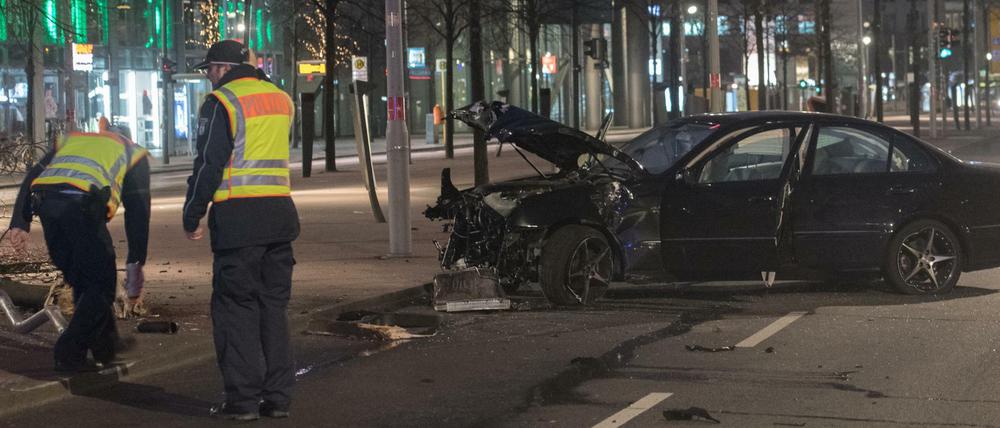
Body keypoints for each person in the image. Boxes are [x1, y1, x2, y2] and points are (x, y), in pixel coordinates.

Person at [183, 39, 299, 421]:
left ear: (221, 68)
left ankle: (243, 401)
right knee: (273, 309)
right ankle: (278, 398)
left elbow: (209, 163)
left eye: (209, 71)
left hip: (238, 219)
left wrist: (193, 212)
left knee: (236, 310)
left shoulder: (222, 102)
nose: (209, 78)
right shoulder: (282, 99)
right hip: (280, 215)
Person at [7, 122, 150, 373]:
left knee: (84, 281)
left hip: (46, 206)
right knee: (102, 285)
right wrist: (135, 269)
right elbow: (138, 216)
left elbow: (32, 176)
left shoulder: (75, 140)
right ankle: (68, 352)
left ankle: (105, 347)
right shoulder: (132, 153)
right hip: (80, 208)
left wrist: (21, 223)